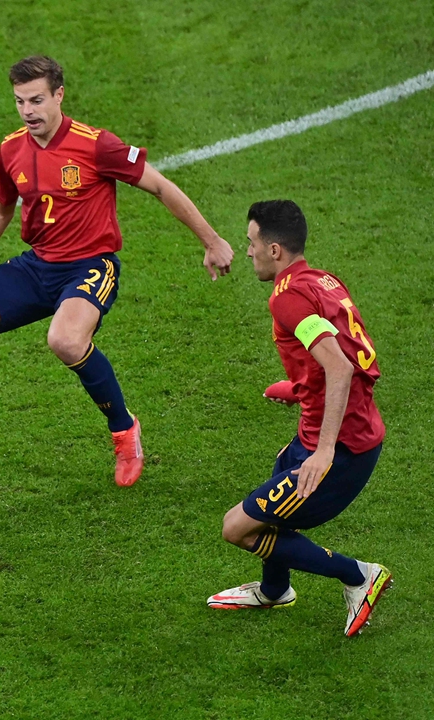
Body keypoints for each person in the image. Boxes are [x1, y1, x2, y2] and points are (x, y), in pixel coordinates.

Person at [0, 55, 234, 486]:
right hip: (37, 266)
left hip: (90, 265)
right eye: (19, 102)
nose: (28, 111)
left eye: (36, 100)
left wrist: (211, 240)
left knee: (65, 340)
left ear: (59, 95)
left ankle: (125, 431)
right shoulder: (11, 148)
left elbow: (159, 185)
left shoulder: (96, 144)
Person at [207, 200, 390, 637]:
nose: (246, 251)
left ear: (274, 250)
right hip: (341, 428)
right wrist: (298, 389)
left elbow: (341, 366)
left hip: (342, 449)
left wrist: (324, 452)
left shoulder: (287, 300)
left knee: (237, 527)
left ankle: (358, 575)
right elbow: (345, 358)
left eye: (251, 242)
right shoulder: (323, 280)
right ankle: (275, 590)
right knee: (277, 482)